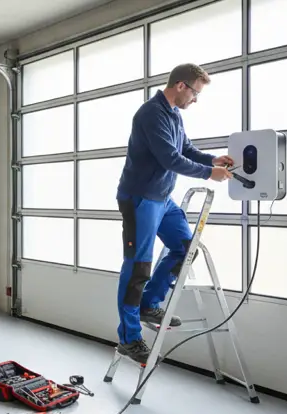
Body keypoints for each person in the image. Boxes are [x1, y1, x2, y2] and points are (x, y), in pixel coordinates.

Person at [114, 63, 234, 364]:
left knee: (186, 248)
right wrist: (209, 173)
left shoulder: (174, 115)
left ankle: (149, 304)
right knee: (137, 267)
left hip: (163, 199)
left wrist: (212, 159)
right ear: (181, 86)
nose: (195, 99)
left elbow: (186, 150)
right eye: (195, 93)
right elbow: (169, 158)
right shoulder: (151, 114)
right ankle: (129, 338)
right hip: (141, 199)